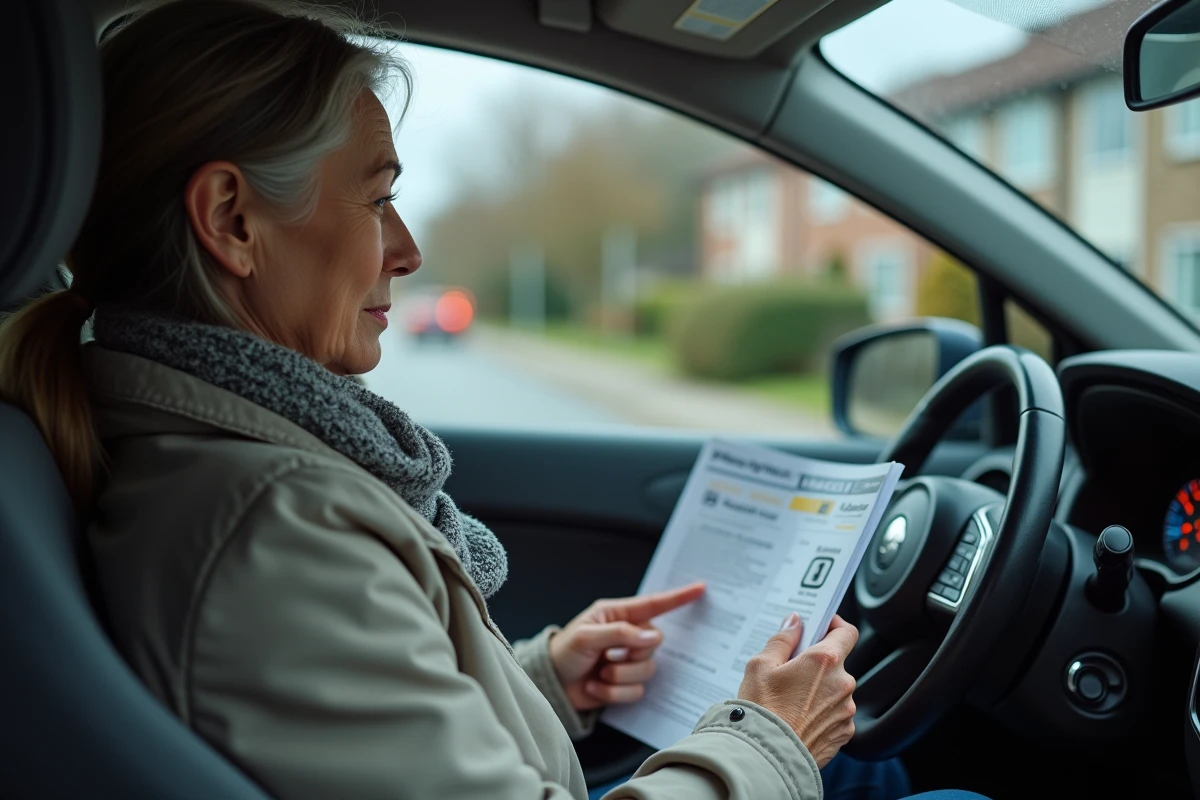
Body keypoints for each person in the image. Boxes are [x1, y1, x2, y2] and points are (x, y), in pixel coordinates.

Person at [0, 2, 987, 799]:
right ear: (232, 218)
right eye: (377, 195)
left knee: (873, 762)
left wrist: (548, 675)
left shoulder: (242, 471)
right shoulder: (271, 526)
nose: (408, 248)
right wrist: (768, 740)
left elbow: (369, 732)